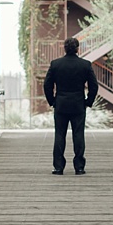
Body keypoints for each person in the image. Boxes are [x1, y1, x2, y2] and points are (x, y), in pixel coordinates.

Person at [43, 37, 99, 175]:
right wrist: (88, 101)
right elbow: (94, 86)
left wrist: (52, 101)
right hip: (78, 104)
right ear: (77, 48)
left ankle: (58, 167)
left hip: (61, 104)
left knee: (59, 135)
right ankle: (79, 167)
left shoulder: (56, 64)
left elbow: (47, 85)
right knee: (78, 135)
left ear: (65, 48)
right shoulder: (85, 65)